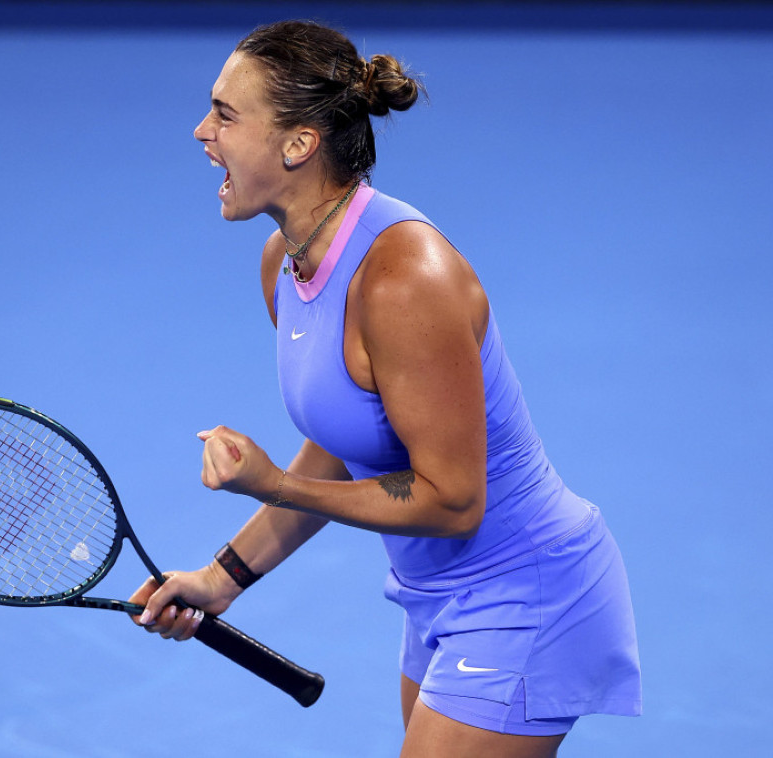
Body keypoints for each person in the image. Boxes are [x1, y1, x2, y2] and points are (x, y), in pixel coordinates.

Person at [129, 20, 641, 757]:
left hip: (526, 592)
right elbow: (348, 439)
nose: (202, 131)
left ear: (298, 144)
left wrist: (275, 485)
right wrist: (222, 577)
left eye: (226, 114)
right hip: (434, 597)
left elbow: (454, 500)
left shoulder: (403, 281)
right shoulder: (285, 263)